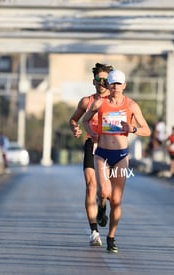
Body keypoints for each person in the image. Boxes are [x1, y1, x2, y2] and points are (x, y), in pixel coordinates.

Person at [82, 69, 151, 253]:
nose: (115, 87)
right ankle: (101, 205)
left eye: (119, 84)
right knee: (104, 191)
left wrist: (133, 129)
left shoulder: (132, 106)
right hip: (102, 153)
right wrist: (92, 132)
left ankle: (111, 236)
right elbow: (85, 120)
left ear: (124, 85)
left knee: (117, 201)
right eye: (112, 83)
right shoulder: (100, 103)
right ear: (108, 85)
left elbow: (147, 130)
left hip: (121, 156)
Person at [68, 63, 113, 246]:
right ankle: (94, 231)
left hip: (110, 147)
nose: (101, 83)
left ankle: (102, 207)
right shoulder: (86, 102)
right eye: (98, 80)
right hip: (91, 145)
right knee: (90, 185)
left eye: (105, 80)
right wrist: (75, 128)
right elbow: (73, 119)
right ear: (93, 81)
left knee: (105, 193)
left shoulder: (116, 102)